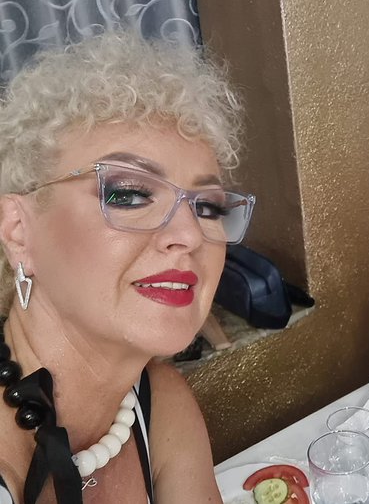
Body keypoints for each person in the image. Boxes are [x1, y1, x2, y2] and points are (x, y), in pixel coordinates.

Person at [0, 30, 254, 503]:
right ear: (18, 230)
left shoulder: (162, 405)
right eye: (128, 194)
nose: (190, 235)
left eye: (208, 207)